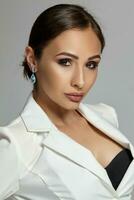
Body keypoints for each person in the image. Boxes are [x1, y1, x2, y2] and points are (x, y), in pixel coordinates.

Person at [0, 3, 134, 200]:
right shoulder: (16, 145)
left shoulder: (105, 115)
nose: (80, 81)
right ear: (32, 59)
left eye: (91, 64)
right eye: (65, 62)